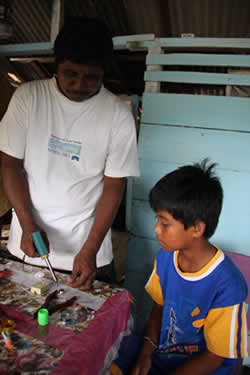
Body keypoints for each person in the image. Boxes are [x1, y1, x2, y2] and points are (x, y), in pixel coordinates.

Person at [0, 17, 139, 290]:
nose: (78, 85)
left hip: (87, 257)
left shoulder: (117, 114)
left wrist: (90, 249)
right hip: (28, 247)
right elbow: (10, 166)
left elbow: (113, 186)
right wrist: (27, 224)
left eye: (90, 77)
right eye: (70, 74)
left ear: (103, 71)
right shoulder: (29, 98)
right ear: (56, 65)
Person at [111, 160, 249, 375]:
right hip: (163, 354)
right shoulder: (167, 256)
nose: (156, 229)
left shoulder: (228, 285)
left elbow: (215, 356)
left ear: (196, 228)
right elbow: (159, 307)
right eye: (157, 220)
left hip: (203, 368)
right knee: (112, 360)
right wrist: (147, 351)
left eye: (165, 223)